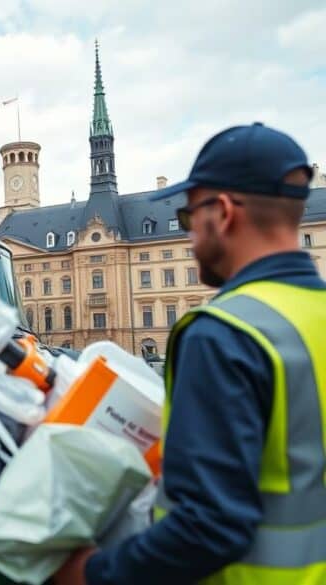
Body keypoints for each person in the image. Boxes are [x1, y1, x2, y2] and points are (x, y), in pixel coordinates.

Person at [55, 123, 326, 584]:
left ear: (221, 213)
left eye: (187, 219)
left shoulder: (223, 333)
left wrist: (93, 573)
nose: (189, 238)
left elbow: (209, 526)